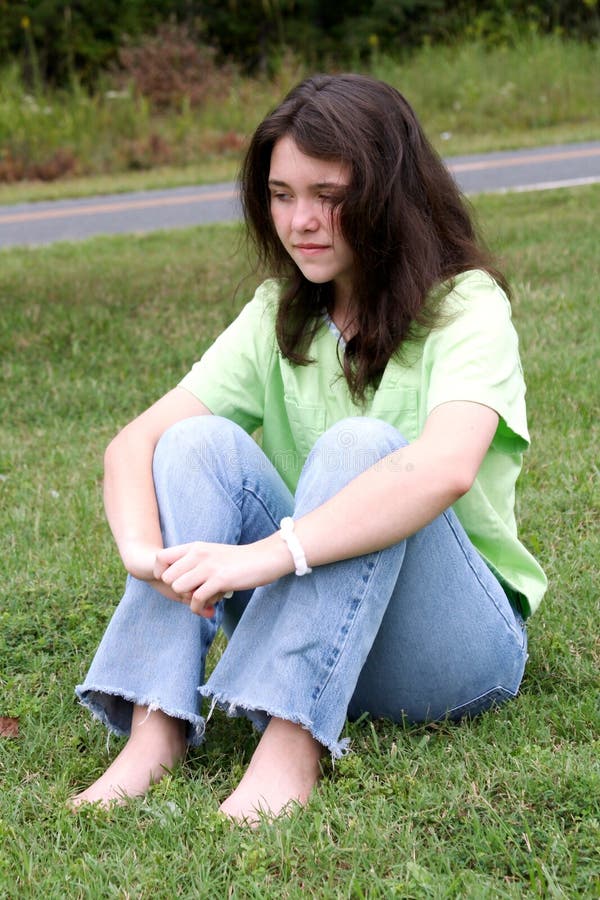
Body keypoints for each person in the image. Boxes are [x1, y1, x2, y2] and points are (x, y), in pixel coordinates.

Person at [72, 73, 547, 821]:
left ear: (390, 192)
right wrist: (146, 555)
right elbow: (134, 445)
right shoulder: (277, 316)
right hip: (320, 623)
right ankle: (155, 726)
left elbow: (445, 467)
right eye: (282, 194)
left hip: (453, 649)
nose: (302, 221)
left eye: (330, 195)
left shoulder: (466, 307)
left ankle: (290, 745)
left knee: (363, 447)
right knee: (194, 443)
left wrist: (267, 555)